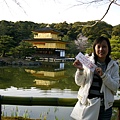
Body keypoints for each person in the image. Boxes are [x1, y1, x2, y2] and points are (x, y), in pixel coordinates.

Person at [72, 36, 119, 120]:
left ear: (108, 48)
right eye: (98, 47)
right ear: (94, 48)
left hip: (104, 108)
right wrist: (80, 70)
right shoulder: (87, 61)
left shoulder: (114, 66)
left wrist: (103, 76)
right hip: (87, 104)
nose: (101, 49)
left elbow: (115, 87)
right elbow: (79, 83)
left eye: (104, 47)